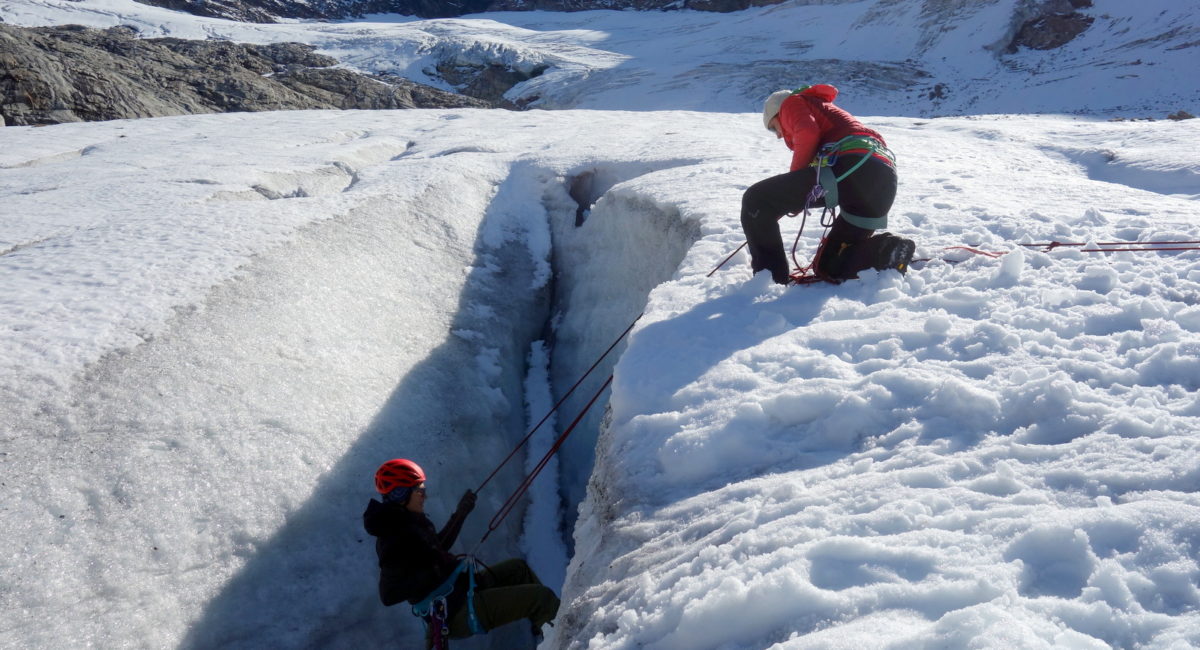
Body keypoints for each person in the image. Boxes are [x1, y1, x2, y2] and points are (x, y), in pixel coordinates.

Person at [362, 458, 559, 648]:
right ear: (400, 494)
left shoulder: (408, 522)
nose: (425, 496)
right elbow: (388, 595)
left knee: (518, 569)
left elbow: (436, 548)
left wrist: (461, 513)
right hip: (456, 610)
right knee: (541, 598)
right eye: (419, 491)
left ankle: (547, 632)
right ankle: (565, 639)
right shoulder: (394, 537)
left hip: (460, 592)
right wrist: (435, 570)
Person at [741, 84, 915, 284]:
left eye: (773, 128)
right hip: (882, 179)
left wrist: (792, 188)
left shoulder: (792, 102)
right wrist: (792, 195)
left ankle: (768, 279)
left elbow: (807, 132)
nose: (779, 135)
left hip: (853, 167)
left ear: (778, 113)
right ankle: (889, 249)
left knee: (757, 199)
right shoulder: (829, 114)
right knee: (830, 267)